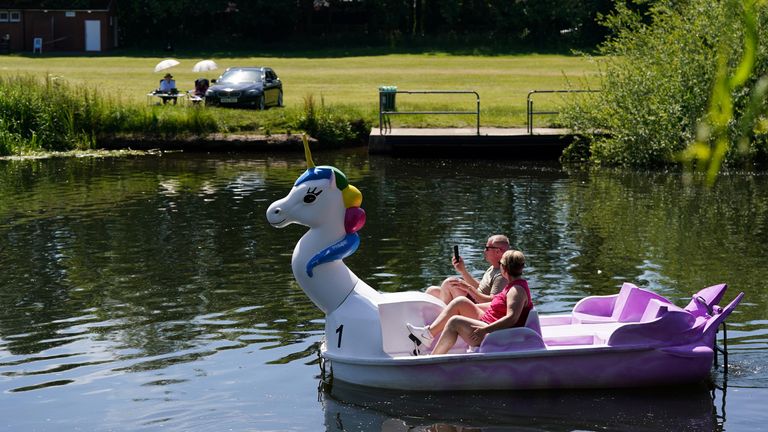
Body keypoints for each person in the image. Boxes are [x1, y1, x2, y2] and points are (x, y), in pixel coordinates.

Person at [407, 250, 532, 355]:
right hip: (487, 322)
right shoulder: (513, 285)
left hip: (494, 333)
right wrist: (469, 295)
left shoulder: (516, 290)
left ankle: (433, 359)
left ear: (503, 267)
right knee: (460, 302)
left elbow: (512, 318)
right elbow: (494, 302)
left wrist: (485, 330)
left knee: (454, 322)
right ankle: (426, 335)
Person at [426, 235, 510, 305]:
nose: (484, 251)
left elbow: (493, 301)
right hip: (475, 299)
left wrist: (468, 288)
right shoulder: (493, 267)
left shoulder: (502, 275)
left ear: (498, 252)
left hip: (478, 307)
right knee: (432, 291)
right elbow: (480, 288)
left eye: (487, 248)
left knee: (450, 283)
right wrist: (463, 270)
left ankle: (442, 319)